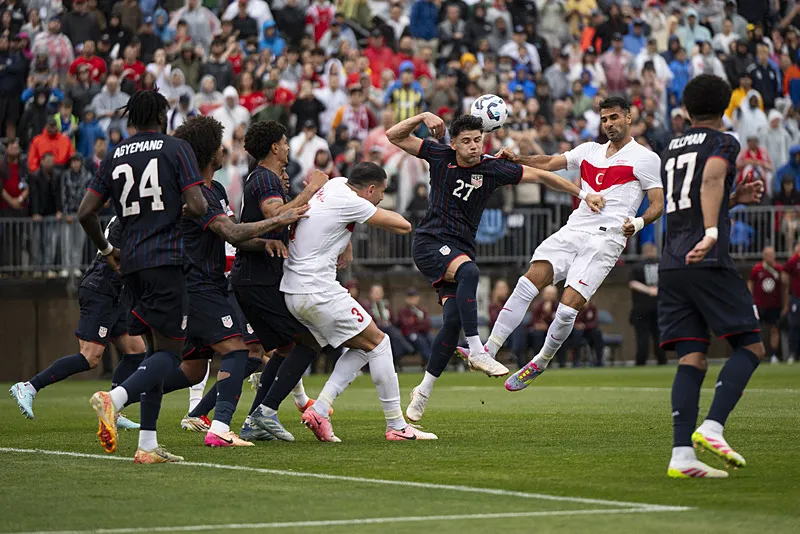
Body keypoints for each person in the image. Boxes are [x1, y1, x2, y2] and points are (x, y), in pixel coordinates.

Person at [387, 112, 605, 422]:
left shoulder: (493, 168)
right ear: (454, 144)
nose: (474, 147)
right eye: (466, 142)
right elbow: (393, 136)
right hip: (430, 243)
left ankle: (422, 391)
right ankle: (478, 350)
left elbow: (542, 176)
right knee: (470, 272)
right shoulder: (439, 155)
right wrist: (421, 116)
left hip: (459, 249)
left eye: (478, 140)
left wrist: (584, 194)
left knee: (451, 322)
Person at [487, 97, 663, 392]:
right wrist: (517, 159)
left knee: (567, 308)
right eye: (604, 119)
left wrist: (639, 223)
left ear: (629, 118)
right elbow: (549, 163)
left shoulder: (645, 158)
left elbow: (657, 204)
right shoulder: (588, 150)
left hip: (608, 237)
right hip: (575, 227)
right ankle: (488, 351)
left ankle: (540, 362)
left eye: (615, 117)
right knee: (527, 282)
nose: (609, 124)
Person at [78, 90, 208, 464]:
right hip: (165, 261)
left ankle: (148, 445)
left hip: (129, 264)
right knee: (172, 354)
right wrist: (178, 209)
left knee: (153, 353)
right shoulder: (175, 148)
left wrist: (106, 250)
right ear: (163, 115)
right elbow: (198, 205)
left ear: (132, 118)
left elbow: (86, 211)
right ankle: (113, 399)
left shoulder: (115, 154)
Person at [171, 116, 308, 447]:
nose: (224, 150)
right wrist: (287, 213)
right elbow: (236, 230)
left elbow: (238, 236)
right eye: (219, 145)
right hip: (204, 284)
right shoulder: (201, 194)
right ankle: (231, 424)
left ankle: (120, 395)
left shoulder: (215, 189)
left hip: (218, 283)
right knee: (249, 350)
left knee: (192, 370)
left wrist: (266, 241)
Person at [657, 74, 766, 479]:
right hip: (707, 257)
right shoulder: (723, 140)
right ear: (726, 107)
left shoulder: (670, 146)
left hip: (672, 262)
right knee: (752, 346)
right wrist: (714, 231)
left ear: (686, 108)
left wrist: (734, 202)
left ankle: (682, 455)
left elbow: (692, 196)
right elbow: (711, 179)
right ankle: (713, 426)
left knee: (692, 357)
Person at [279, 162, 435, 442]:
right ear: (371, 189)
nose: (381, 198)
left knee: (366, 345)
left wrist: (346, 241)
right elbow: (403, 226)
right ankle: (397, 426)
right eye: (381, 193)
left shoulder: (336, 184)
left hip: (293, 288)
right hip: (317, 289)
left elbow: (328, 217)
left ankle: (320, 409)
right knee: (380, 343)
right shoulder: (353, 201)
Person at [230, 120, 333, 442]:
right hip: (257, 279)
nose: (288, 148)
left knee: (286, 347)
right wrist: (311, 188)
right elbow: (277, 215)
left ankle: (254, 422)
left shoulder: (264, 178)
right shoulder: (264, 178)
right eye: (286, 142)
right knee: (309, 340)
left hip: (258, 277)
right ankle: (265, 412)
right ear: (274, 147)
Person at [9, 217, 144, 428]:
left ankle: (112, 411)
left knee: (136, 350)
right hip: (101, 289)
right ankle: (29, 387)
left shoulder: (137, 214)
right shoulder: (126, 217)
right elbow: (117, 260)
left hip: (117, 293)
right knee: (90, 357)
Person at [629, 243, 665, 366]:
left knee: (642, 336)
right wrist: (655, 290)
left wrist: (647, 290)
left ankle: (641, 361)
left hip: (641, 307)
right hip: (658, 306)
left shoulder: (638, 266)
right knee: (658, 335)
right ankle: (661, 360)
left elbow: (632, 283)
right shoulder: (662, 265)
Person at [748, 246, 783, 364]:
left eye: (772, 254)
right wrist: (750, 300)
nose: (770, 257)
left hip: (774, 305)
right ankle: (758, 354)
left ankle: (773, 355)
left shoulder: (778, 268)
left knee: (774, 329)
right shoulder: (757, 269)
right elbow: (751, 283)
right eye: (768, 255)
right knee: (758, 330)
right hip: (759, 305)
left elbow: (784, 286)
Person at [396, 288, 433, 363]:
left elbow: (428, 324)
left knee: (432, 339)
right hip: (409, 335)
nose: (412, 300)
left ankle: (438, 361)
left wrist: (416, 323)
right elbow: (407, 326)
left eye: (414, 297)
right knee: (420, 341)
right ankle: (432, 363)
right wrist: (419, 323)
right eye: (410, 298)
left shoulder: (421, 310)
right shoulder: (403, 311)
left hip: (423, 333)